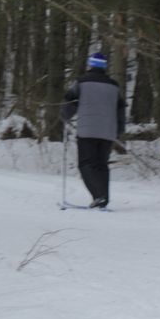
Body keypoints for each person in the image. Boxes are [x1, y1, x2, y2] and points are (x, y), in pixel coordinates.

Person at [62, 52, 125, 208]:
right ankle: (103, 199)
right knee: (101, 165)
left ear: (91, 64)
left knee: (86, 164)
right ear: (104, 67)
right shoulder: (114, 85)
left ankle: (98, 196)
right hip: (108, 132)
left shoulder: (81, 82)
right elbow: (120, 109)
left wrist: (65, 116)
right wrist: (119, 129)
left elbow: (70, 100)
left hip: (87, 130)